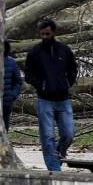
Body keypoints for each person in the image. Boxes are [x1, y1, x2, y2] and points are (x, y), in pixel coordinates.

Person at [24, 18, 77, 171]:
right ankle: (54, 169)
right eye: (42, 34)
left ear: (53, 32)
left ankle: (58, 154)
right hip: (44, 99)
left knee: (68, 133)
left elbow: (73, 68)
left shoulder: (64, 50)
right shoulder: (35, 52)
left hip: (63, 99)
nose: (45, 37)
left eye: (47, 33)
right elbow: (28, 73)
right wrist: (41, 85)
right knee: (47, 136)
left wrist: (67, 83)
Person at [2, 41, 22, 131]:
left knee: (4, 128)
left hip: (6, 102)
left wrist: (12, 95)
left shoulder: (11, 62)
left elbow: (18, 81)